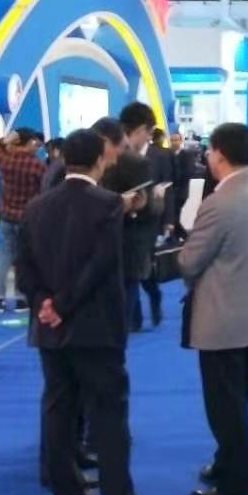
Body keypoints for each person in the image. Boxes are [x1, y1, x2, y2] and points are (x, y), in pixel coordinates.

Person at [15, 129, 164, 495]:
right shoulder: (107, 205)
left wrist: (44, 303)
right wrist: (63, 304)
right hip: (95, 326)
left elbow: (24, 267)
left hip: (49, 327)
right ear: (100, 159)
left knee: (58, 407)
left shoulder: (36, 206)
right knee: (109, 414)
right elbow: (100, 265)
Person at [179, 123, 248, 495]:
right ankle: (227, 464)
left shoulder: (218, 203)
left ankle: (236, 483)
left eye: (209, 151)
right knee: (238, 399)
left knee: (225, 407)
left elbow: (189, 262)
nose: (207, 156)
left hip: (221, 319)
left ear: (220, 154)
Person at [110, 104, 165, 331]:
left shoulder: (103, 155)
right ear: (141, 129)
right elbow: (147, 208)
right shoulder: (136, 162)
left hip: (110, 239)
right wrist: (157, 200)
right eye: (149, 133)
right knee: (130, 286)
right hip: (133, 239)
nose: (148, 139)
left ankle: (135, 320)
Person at [0, 128, 44, 313]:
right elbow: (45, 188)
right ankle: (21, 299)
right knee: (24, 260)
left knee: (3, 258)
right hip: (27, 219)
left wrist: (7, 140)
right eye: (34, 142)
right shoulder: (37, 165)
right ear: (28, 143)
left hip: (6, 217)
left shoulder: (6, 161)